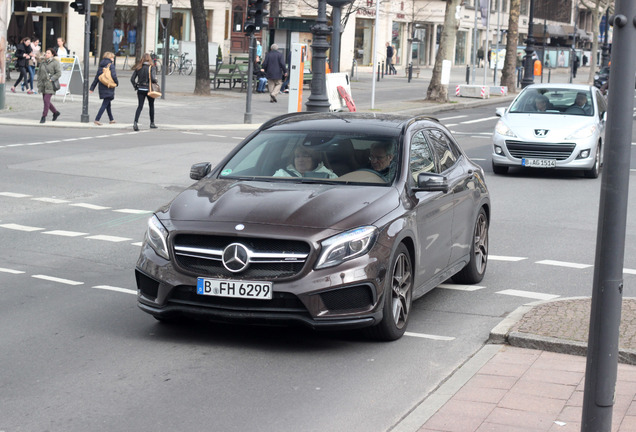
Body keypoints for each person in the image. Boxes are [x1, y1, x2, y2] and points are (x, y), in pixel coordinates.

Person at [130, 52, 158, 131]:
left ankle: (135, 122)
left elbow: (132, 79)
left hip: (140, 89)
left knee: (140, 106)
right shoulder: (152, 67)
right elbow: (153, 78)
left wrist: (136, 86)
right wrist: (156, 80)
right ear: (149, 59)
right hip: (149, 89)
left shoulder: (138, 67)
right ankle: (152, 123)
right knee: (151, 105)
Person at [90, 51, 119, 125]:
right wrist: (116, 83)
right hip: (109, 86)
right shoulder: (111, 66)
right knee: (105, 103)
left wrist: (92, 88)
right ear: (110, 58)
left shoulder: (101, 65)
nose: (113, 59)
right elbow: (114, 76)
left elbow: (97, 77)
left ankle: (111, 119)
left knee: (107, 103)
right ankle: (97, 119)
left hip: (102, 86)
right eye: (112, 57)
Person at [273, 145, 337, 178]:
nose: (300, 160)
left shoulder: (329, 176)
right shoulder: (282, 175)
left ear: (314, 159)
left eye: (305, 156)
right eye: (297, 156)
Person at [36, 48, 61, 123]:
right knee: (46, 101)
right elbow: (39, 73)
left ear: (52, 54)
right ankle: (55, 112)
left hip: (50, 84)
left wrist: (52, 79)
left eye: (48, 53)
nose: (46, 54)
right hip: (43, 84)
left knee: (46, 100)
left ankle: (44, 116)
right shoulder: (43, 63)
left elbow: (58, 73)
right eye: (46, 53)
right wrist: (39, 82)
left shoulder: (55, 63)